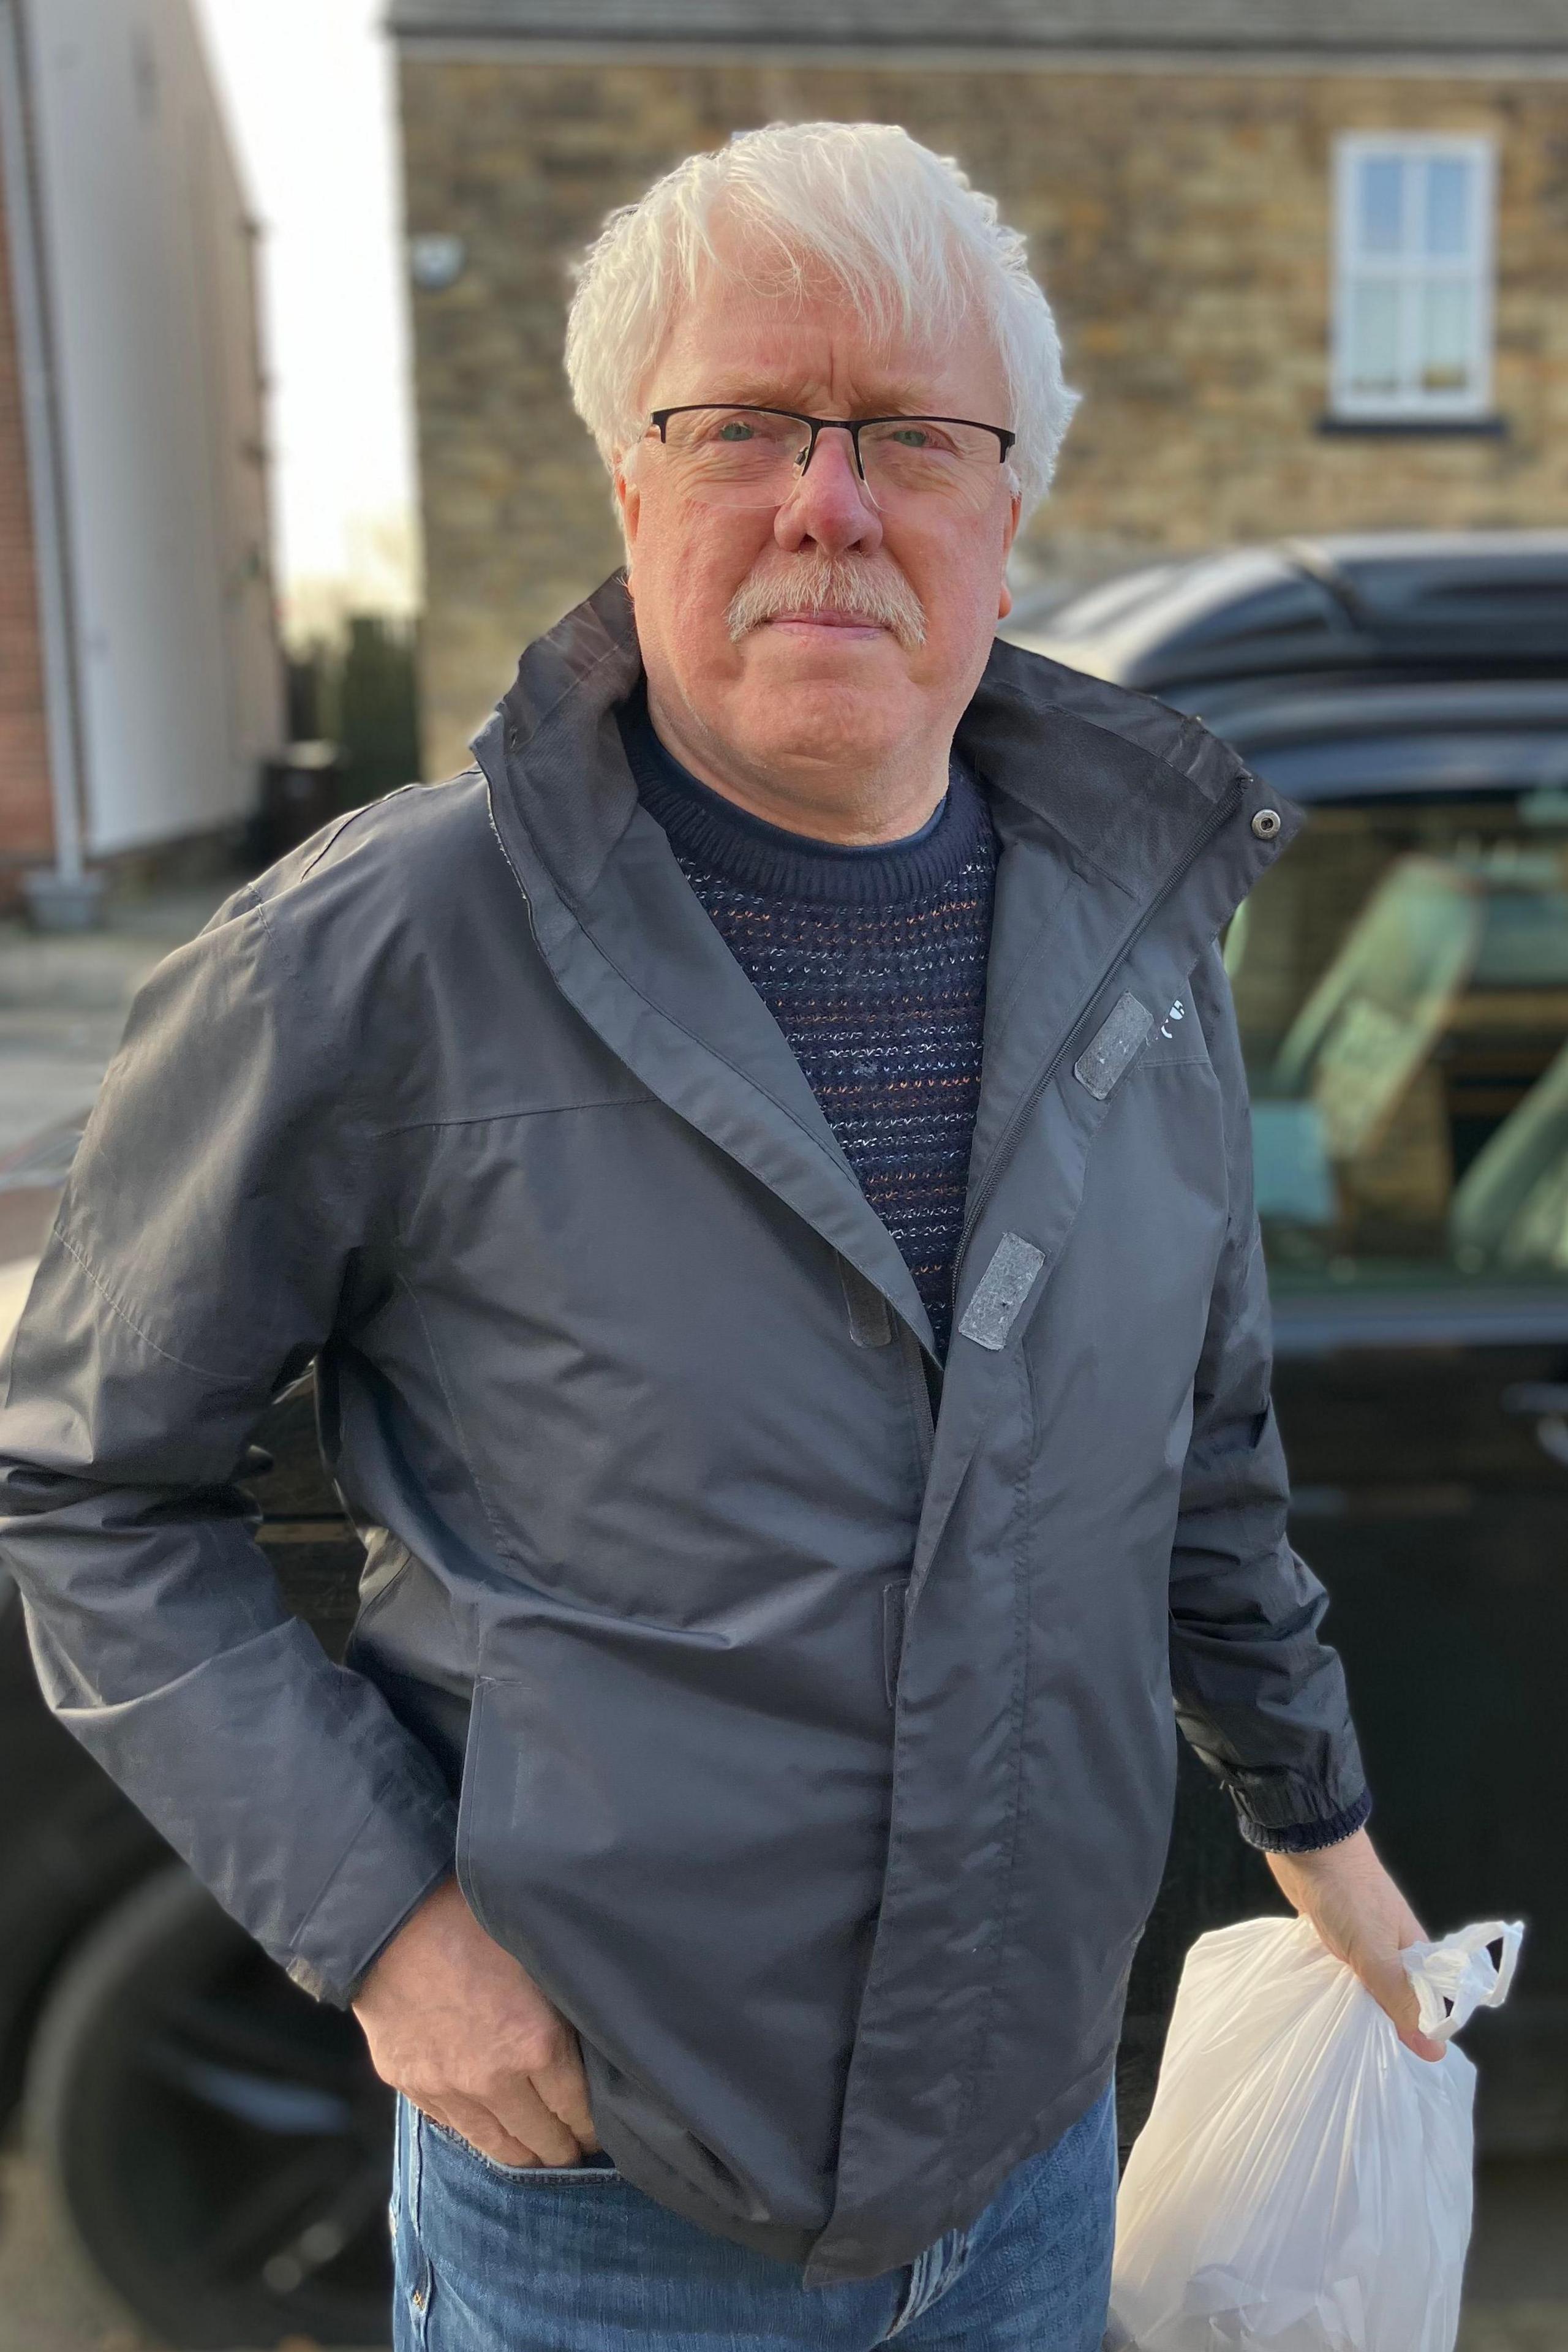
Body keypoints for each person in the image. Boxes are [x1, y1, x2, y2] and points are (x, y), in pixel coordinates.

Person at [0, 122, 1441, 2351]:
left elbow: (1208, 1459)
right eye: (744, 424)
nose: (829, 503)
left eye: (912, 439)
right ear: (627, 484)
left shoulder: (1140, 945)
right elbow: (91, 1486)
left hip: (1035, 2165)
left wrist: (1322, 1829)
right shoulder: (378, 955)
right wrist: (392, 1934)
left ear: (1006, 506)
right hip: (604, 2207)